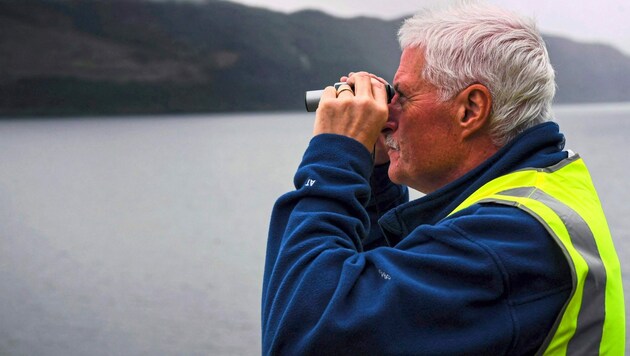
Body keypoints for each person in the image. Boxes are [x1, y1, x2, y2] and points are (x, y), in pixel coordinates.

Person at [262, 3, 625, 355]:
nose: (387, 116)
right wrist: (373, 174)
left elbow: (300, 337)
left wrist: (334, 155)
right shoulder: (540, 189)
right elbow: (374, 301)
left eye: (401, 96)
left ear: (470, 109)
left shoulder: (503, 245)